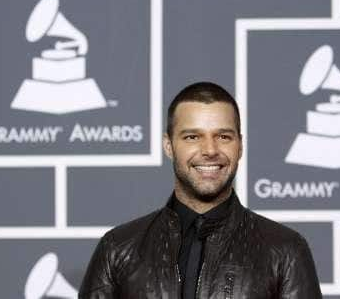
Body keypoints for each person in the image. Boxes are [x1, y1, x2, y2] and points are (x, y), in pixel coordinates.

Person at [79, 82, 323, 298]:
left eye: (223, 137)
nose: (209, 150)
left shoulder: (285, 250)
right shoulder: (118, 249)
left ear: (240, 146)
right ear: (168, 145)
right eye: (192, 137)